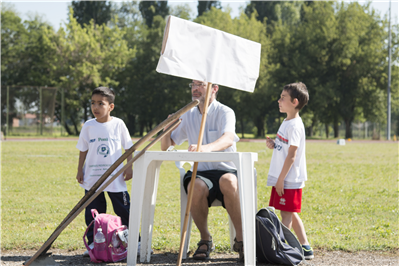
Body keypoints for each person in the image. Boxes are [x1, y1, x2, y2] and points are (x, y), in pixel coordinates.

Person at [161, 80, 244, 261]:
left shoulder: (225, 111)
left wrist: (205, 147)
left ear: (214, 88)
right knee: (195, 186)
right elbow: (166, 147)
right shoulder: (188, 114)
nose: (195, 89)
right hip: (201, 172)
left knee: (228, 181)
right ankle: (205, 239)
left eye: (200, 85)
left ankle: (241, 239)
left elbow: (229, 138)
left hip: (226, 170)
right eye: (192, 85)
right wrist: (166, 130)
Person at [76, 87, 134, 256]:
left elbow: (129, 148)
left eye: (101, 103)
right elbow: (83, 149)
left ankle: (133, 241)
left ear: (111, 107)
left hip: (115, 177)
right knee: (93, 211)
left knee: (124, 209)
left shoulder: (118, 124)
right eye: (93, 103)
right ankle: (94, 243)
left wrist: (128, 167)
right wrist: (80, 170)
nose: (96, 107)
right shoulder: (88, 126)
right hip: (93, 177)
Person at [265, 82, 314, 260]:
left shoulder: (294, 125)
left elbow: (292, 156)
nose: (279, 100)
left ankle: (281, 248)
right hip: (284, 177)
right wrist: (274, 144)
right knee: (290, 212)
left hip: (289, 179)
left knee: (286, 214)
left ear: (294, 102)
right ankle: (306, 247)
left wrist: (281, 180)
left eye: (282, 98)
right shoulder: (287, 121)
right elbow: (285, 148)